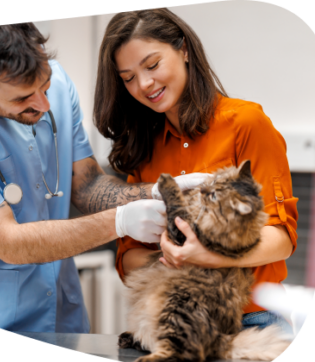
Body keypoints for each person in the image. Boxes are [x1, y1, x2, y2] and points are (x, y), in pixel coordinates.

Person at [0, 22, 209, 333]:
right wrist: (120, 221)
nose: (44, 104)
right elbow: (8, 242)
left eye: (45, 87)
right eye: (23, 99)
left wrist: (152, 193)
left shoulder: (57, 81)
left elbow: (87, 185)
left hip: (59, 312)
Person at [94, 7, 298, 333]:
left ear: (184, 49)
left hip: (254, 323)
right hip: (179, 326)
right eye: (128, 78)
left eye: (152, 65)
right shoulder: (141, 148)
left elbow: (281, 239)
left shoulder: (246, 124)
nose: (144, 84)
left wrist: (205, 255)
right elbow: (128, 259)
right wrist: (169, 256)